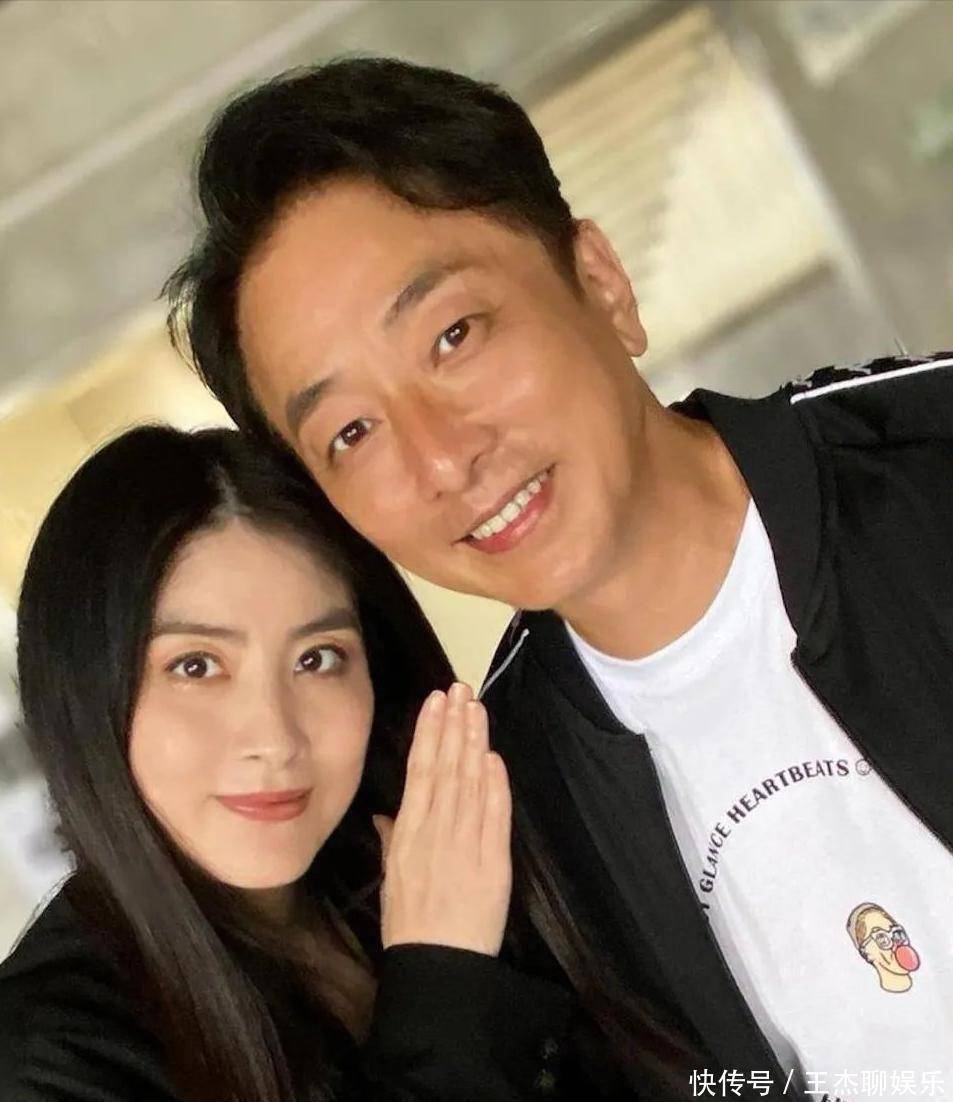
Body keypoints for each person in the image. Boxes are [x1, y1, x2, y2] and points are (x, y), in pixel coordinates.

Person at [165, 57, 953, 1099]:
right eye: (351, 431)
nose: (442, 459)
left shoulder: (926, 466)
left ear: (600, 284)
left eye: (452, 336)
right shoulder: (507, 820)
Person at [0, 425, 575, 1102]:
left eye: (317, 658)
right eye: (196, 666)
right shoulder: (47, 1061)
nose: (274, 738)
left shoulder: (423, 869)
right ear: (84, 696)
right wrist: (443, 979)